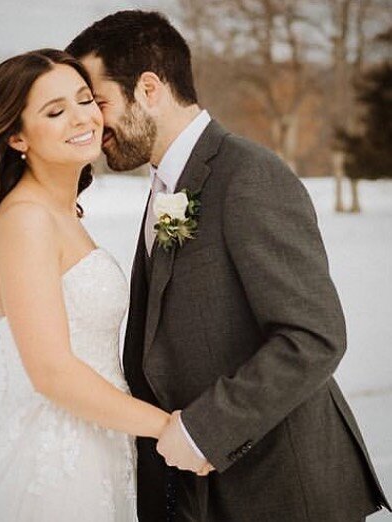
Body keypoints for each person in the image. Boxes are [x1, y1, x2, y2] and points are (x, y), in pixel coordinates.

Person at [67, 10, 391, 522]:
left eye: (98, 102)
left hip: (280, 491)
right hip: (200, 494)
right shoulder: (167, 184)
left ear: (149, 89)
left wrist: (204, 431)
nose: (91, 122)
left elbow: (314, 336)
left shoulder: (249, 175)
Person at [0, 48, 173, 521]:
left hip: (102, 440)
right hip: (60, 460)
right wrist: (169, 429)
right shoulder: (26, 219)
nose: (82, 118)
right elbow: (50, 371)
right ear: (17, 137)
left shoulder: (60, 212)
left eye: (85, 99)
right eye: (55, 111)